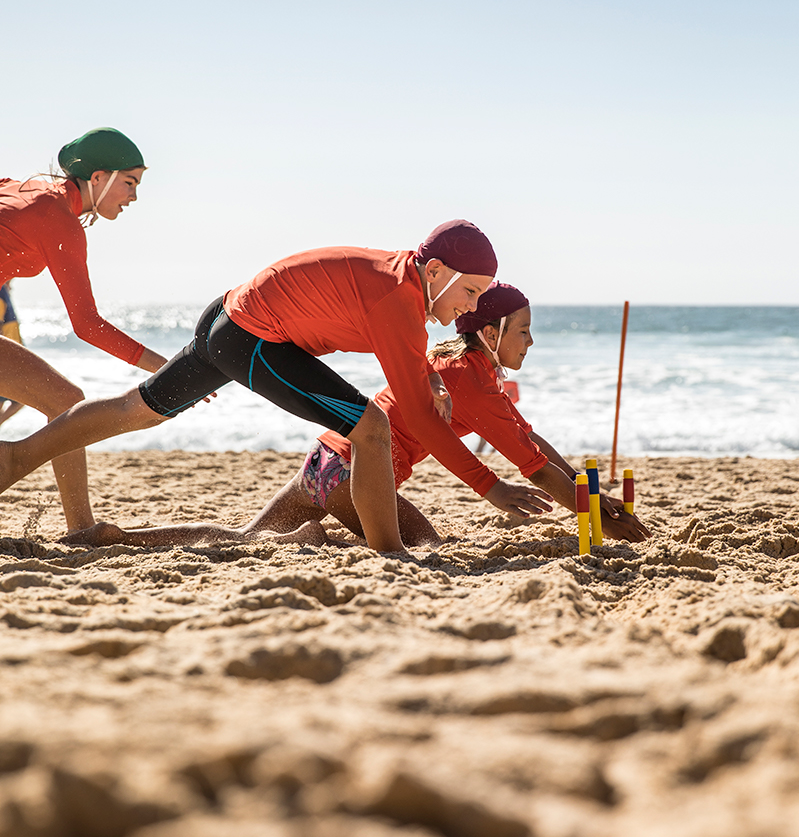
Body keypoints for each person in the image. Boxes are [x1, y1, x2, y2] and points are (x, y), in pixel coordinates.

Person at [0, 221, 554, 552]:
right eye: (472, 291)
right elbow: (421, 417)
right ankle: (392, 556)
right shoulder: (398, 299)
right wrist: (492, 489)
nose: (473, 307)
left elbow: (413, 373)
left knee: (137, 408)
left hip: (229, 316)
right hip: (254, 336)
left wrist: (430, 378)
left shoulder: (400, 282)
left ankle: (16, 458)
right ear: (435, 273)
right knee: (370, 426)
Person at [67, 283, 650, 551]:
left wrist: (591, 495)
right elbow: (535, 469)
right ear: (491, 333)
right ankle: (312, 532)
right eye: (525, 331)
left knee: (246, 539)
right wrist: (599, 512)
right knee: (428, 546)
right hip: (358, 478)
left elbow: (534, 441)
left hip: (325, 459)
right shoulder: (475, 383)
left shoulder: (457, 363)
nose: (532, 342)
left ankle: (121, 537)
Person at [0, 129, 168, 530]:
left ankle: (81, 528)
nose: (134, 196)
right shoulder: (56, 217)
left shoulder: (29, 192)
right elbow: (88, 325)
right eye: (130, 182)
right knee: (66, 402)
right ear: (98, 177)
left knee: (64, 401)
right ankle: (81, 528)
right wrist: (167, 367)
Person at [0, 284, 26, 427]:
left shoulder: (4, 290)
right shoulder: (1, 290)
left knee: (22, 396)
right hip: (7, 355)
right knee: (25, 394)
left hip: (14, 353)